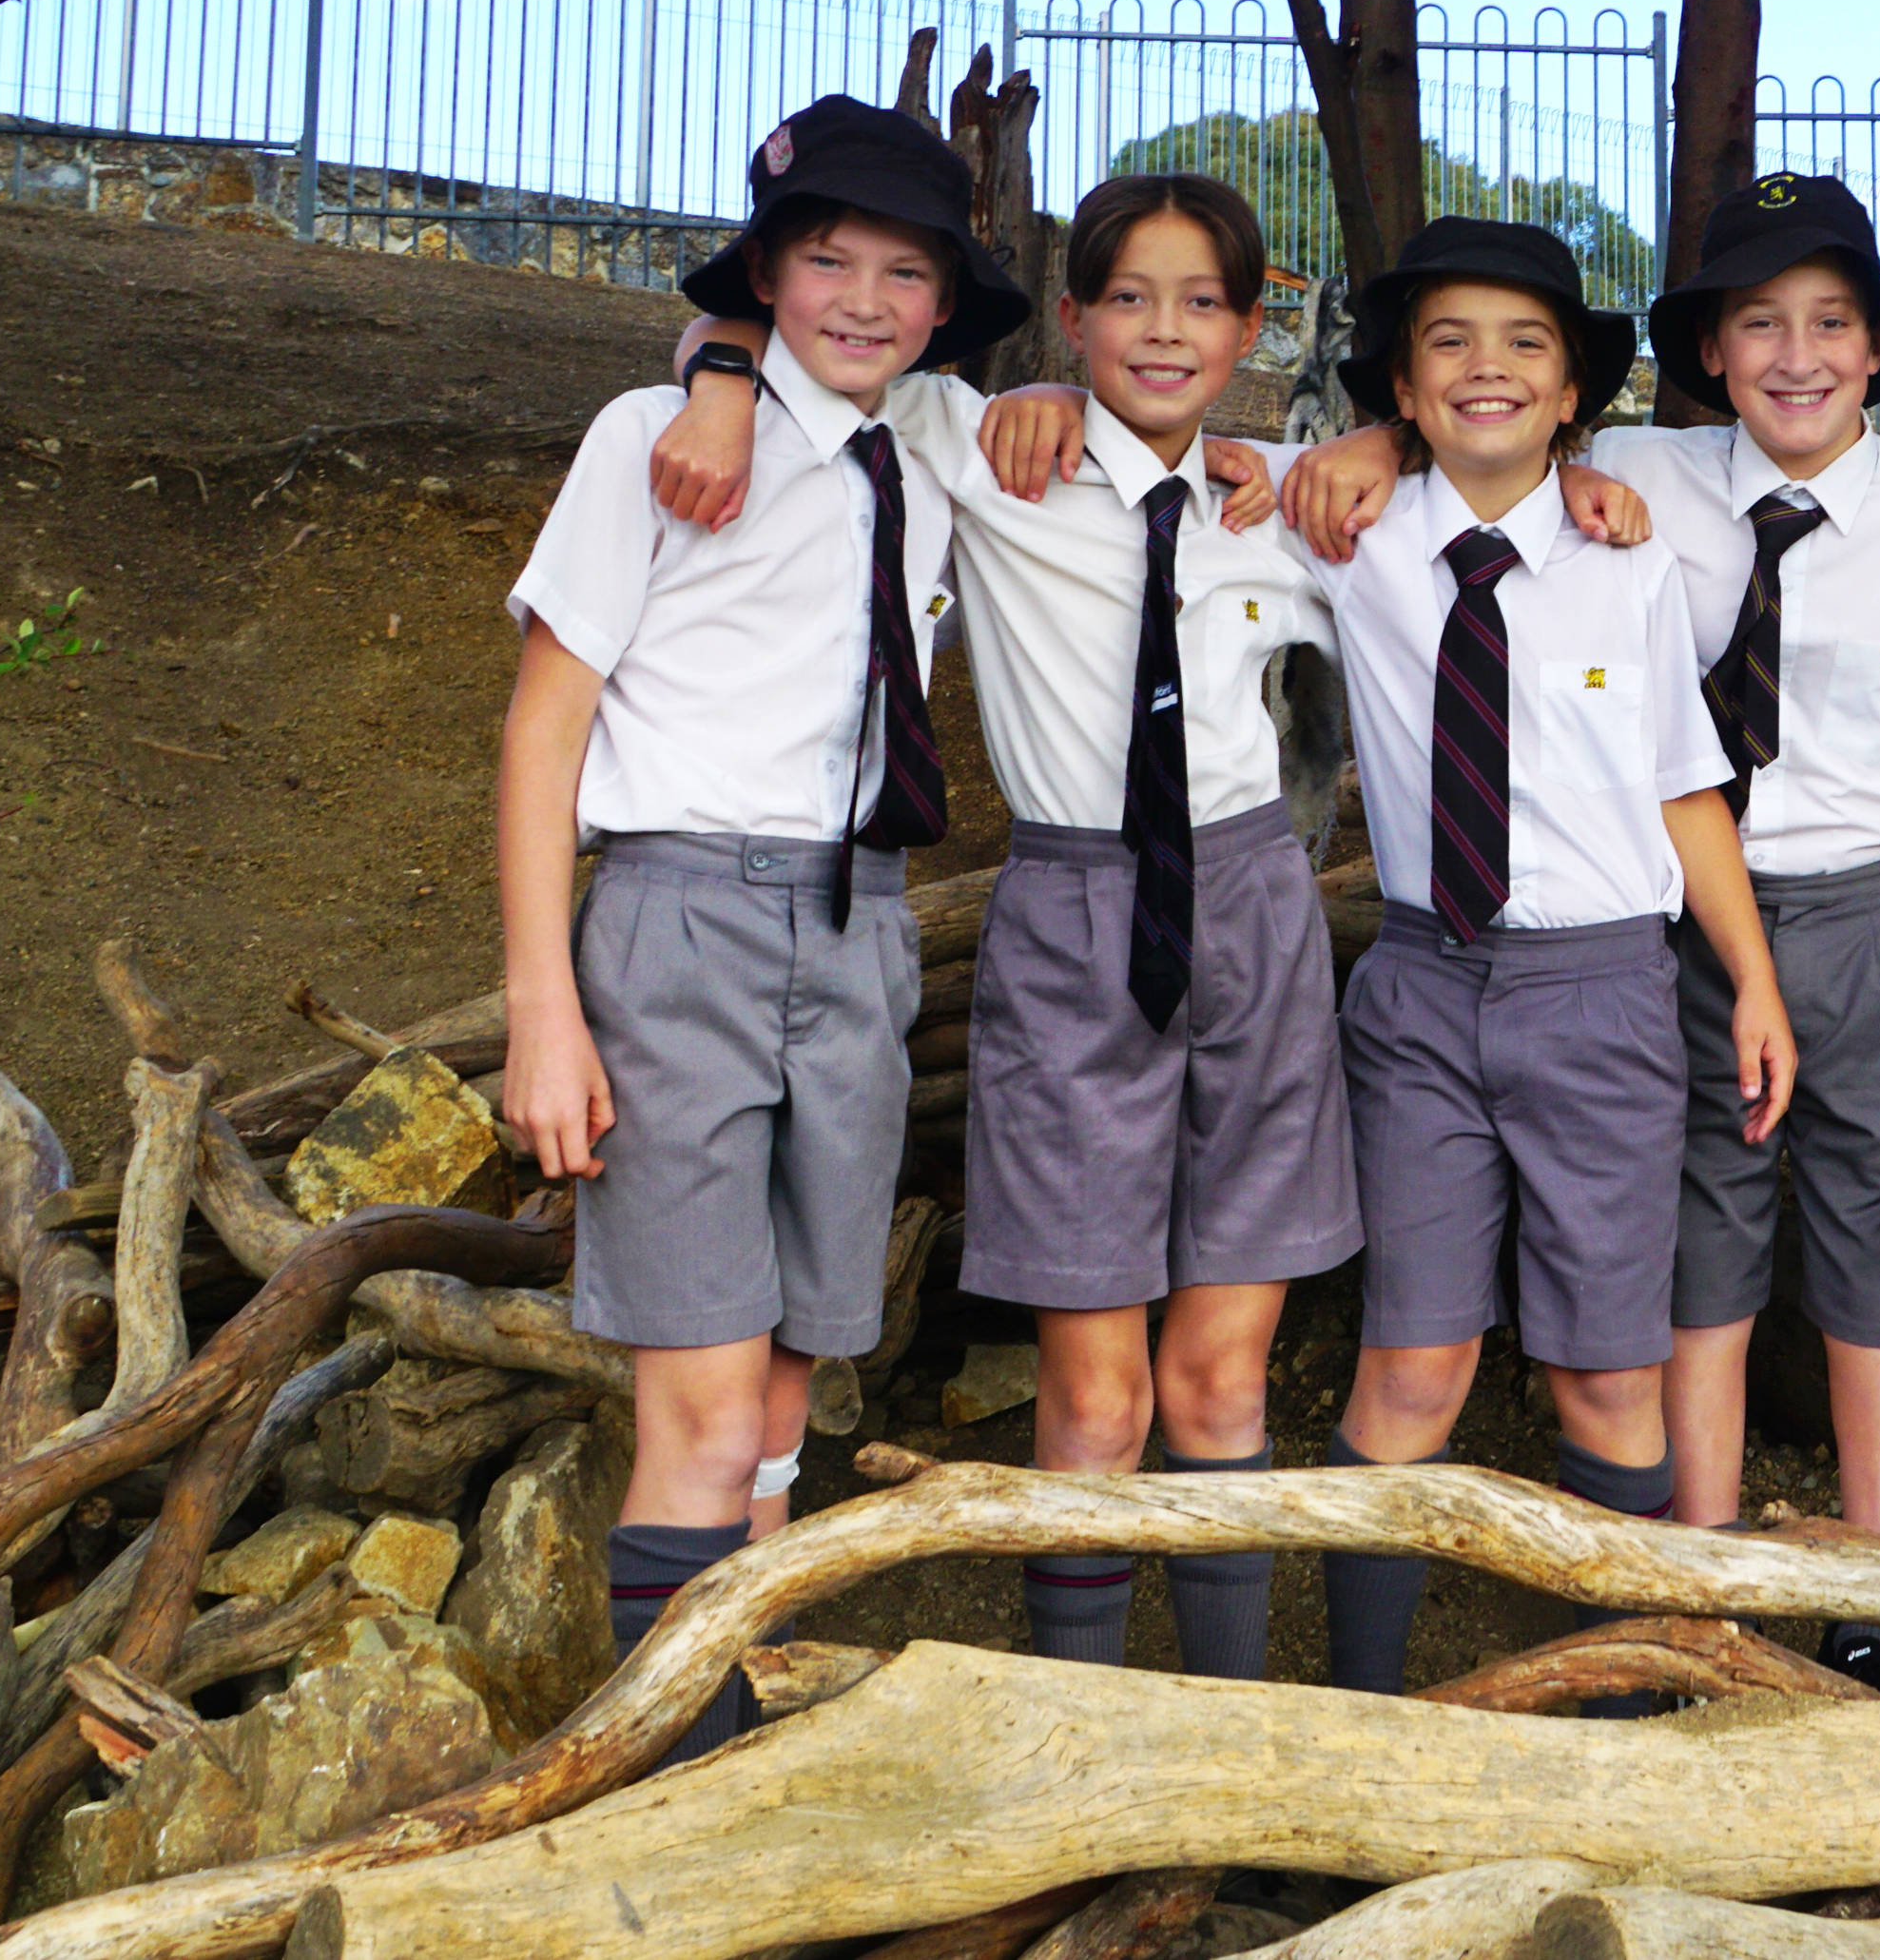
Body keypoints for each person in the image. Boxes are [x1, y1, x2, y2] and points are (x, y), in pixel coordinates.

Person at [1278, 172, 1880, 1698]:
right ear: (1703, 352)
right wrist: (1372, 438)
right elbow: (1450, 418)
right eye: (1756, 322)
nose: (1794, 352)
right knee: (1672, 1268)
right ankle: (1677, 1594)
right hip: (1582, 946)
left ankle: (1868, 1591)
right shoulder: (1596, 484)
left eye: (1831, 321)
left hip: (1852, 913)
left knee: (1871, 1237)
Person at [657, 171, 1362, 1683]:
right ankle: (1077, 1732)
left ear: (1252, 325)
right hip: (1072, 923)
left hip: (1253, 924)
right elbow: (778, 332)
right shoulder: (975, 448)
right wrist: (718, 382)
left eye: (1201, 302)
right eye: (1127, 299)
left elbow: (1475, 463)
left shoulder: (1291, 506)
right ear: (1072, 314)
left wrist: (1357, 446)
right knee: (1102, 1397)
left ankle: (1234, 1743)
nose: (1162, 333)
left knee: (1223, 1379)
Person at [497, 96, 1023, 1764]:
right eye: (824, 260)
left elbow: (1130, 428)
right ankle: (678, 1775)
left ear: (948, 304)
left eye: (904, 271)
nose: (862, 298)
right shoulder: (648, 441)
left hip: (861, 932)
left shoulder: (937, 436)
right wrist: (543, 1011)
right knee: (704, 1411)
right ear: (771, 273)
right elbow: (541, 732)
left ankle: (753, 1714)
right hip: (683, 925)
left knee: (793, 1389)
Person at [1296, 216, 1794, 1701]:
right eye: (1447, 342)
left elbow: (1682, 786)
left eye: (1527, 344)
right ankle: (1366, 1730)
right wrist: (1365, 450)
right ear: (1400, 378)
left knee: (1605, 1371)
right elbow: (1192, 471)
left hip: (1604, 995)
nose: (1488, 369)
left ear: (1577, 391)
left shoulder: (1620, 558)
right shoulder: (1349, 532)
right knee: (1414, 1366)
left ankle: (1616, 1717)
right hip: (1424, 988)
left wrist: (1753, 979)